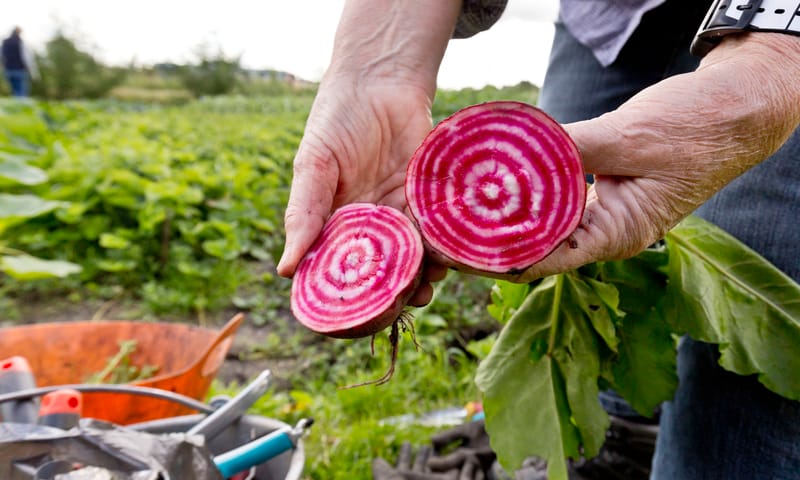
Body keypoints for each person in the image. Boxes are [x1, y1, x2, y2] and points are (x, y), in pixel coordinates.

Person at [278, 0, 800, 478]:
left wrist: (776, 51)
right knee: (568, 267)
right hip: (608, 16)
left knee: (737, 385)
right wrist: (373, 71)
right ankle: (612, 448)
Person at [2, 26, 39, 97]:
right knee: (21, 91)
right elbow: (26, 57)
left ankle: (16, 105)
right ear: (18, 32)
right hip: (20, 70)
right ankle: (21, 105)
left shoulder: (5, 42)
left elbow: (2, 56)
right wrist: (33, 72)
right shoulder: (20, 42)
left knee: (15, 90)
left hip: (8, 70)